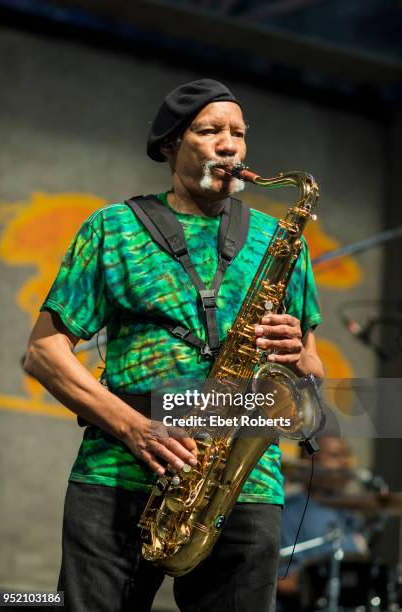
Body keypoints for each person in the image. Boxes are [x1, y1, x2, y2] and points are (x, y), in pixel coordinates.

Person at [24, 79, 324, 612]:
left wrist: (298, 356)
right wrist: (134, 428)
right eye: (210, 131)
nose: (229, 144)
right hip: (118, 470)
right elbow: (44, 353)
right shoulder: (113, 229)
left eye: (238, 133)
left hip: (243, 483)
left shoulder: (283, 240)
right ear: (170, 145)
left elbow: (311, 375)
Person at [278, 438, 367, 611]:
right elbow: (275, 579)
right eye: (335, 456)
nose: (344, 463)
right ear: (311, 461)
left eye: (345, 455)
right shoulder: (288, 511)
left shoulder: (349, 514)